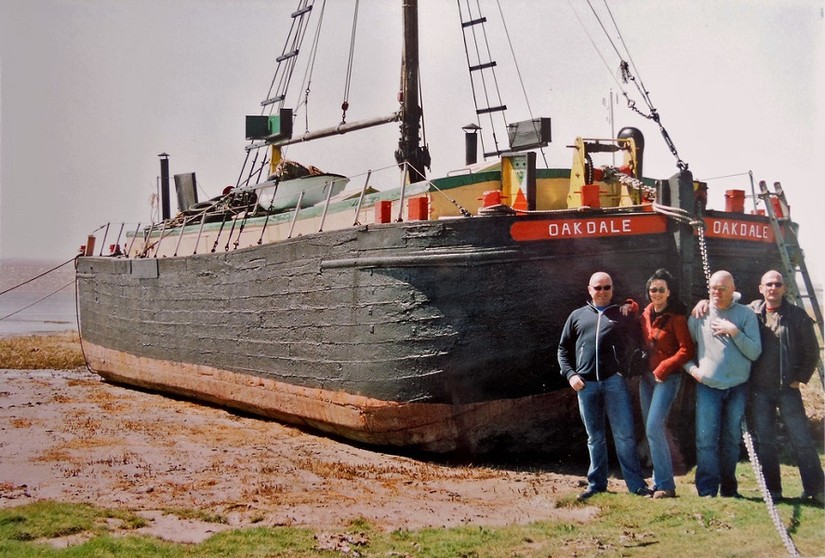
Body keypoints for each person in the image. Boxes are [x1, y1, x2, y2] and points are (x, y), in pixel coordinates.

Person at [558, 271, 651, 500]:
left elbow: (638, 339)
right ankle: (596, 484)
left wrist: (626, 370)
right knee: (595, 438)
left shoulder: (621, 314)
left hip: (613, 382)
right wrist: (571, 375)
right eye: (597, 288)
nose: (602, 292)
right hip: (585, 384)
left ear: (612, 289)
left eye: (606, 287)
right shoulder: (577, 316)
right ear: (589, 290)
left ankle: (636, 485)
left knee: (624, 435)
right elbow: (562, 349)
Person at [747, 271, 824, 504]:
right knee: (766, 441)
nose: (773, 288)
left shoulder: (797, 316)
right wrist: (703, 303)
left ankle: (817, 488)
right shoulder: (752, 312)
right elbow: (726, 302)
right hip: (760, 390)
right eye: (768, 284)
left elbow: (811, 350)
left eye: (777, 284)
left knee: (801, 440)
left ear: (784, 288)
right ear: (761, 288)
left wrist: (799, 377)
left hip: (787, 389)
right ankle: (773, 490)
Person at [684, 270, 761, 497]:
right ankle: (707, 490)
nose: (717, 292)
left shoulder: (746, 315)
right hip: (708, 387)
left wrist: (734, 332)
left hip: (737, 387)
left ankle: (729, 488)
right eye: (713, 288)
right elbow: (685, 349)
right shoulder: (700, 315)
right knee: (705, 439)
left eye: (722, 288)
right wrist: (693, 370)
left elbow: (755, 352)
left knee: (731, 440)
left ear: (732, 289)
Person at [636, 269, 695, 499]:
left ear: (669, 292)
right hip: (647, 379)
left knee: (654, 427)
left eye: (661, 290)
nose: (657, 293)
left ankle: (666, 485)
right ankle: (658, 481)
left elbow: (687, 350)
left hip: (667, 379)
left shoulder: (676, 318)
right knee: (652, 430)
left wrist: (664, 367)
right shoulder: (645, 314)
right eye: (653, 290)